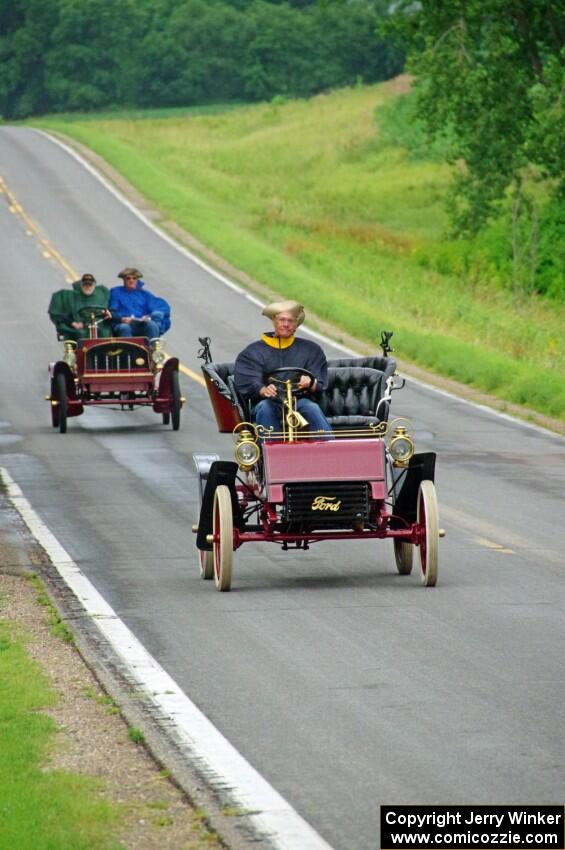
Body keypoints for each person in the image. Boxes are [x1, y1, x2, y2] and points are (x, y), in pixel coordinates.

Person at [234, 300, 332, 436]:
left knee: (312, 408)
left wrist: (310, 383)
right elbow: (248, 380)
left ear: (296, 325)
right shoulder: (253, 352)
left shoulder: (311, 349)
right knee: (264, 408)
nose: (286, 324)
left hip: (299, 401)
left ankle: (329, 450)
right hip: (268, 402)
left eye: (291, 321)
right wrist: (263, 390)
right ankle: (271, 452)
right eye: (282, 320)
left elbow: (320, 383)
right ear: (274, 322)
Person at [109, 268, 171, 338]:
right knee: (124, 328)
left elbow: (158, 307)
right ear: (124, 280)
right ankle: (127, 348)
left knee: (152, 325)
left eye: (134, 278)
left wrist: (149, 317)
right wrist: (121, 319)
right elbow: (111, 311)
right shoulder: (116, 292)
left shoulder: (145, 294)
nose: (131, 280)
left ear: (137, 280)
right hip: (123, 323)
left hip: (140, 324)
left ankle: (152, 347)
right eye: (128, 278)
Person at [48, 274, 112, 340]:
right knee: (81, 333)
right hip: (80, 327)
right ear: (81, 285)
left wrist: (107, 313)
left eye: (90, 284)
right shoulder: (72, 297)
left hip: (98, 325)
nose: (87, 287)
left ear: (94, 285)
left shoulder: (102, 295)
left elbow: (110, 312)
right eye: (85, 284)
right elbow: (62, 316)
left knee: (105, 332)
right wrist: (73, 323)